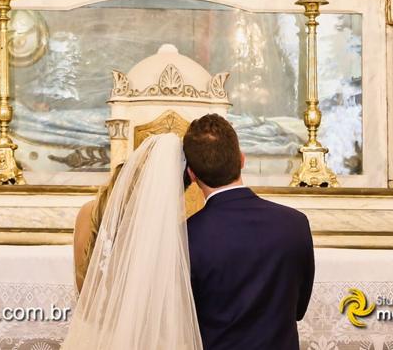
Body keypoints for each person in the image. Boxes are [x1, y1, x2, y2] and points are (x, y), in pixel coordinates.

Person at [184, 114, 315, 350]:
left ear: (192, 175)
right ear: (242, 159)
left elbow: (184, 320)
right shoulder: (295, 224)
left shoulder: (187, 236)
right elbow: (298, 309)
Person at [64, 133, 203, 349]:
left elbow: (83, 286)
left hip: (92, 332)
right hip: (143, 337)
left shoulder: (88, 212)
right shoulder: (164, 231)